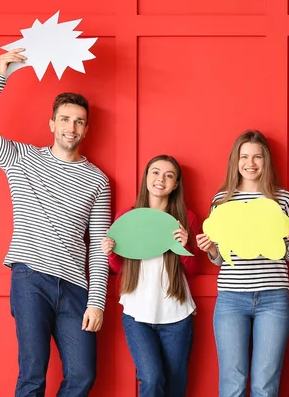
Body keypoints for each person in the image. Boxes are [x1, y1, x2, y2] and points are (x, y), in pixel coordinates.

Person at [0, 48, 111, 396]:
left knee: (83, 376)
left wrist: (97, 301)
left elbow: (101, 246)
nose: (70, 127)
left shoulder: (98, 180)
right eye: (64, 119)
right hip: (31, 278)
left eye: (78, 121)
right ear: (52, 124)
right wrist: (1, 75)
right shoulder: (22, 158)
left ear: (86, 129)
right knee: (33, 373)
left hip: (76, 288)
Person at [196, 130, 289, 397]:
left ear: (266, 161)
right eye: (244, 156)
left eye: (257, 157)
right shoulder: (221, 201)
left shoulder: (283, 199)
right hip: (232, 299)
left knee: (265, 386)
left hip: (274, 299)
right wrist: (210, 249)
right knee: (232, 382)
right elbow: (221, 258)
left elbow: (288, 256)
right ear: (236, 160)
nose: (251, 163)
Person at [101, 155, 200, 397]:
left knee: (176, 385)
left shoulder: (186, 218)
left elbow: (194, 269)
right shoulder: (128, 216)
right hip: (137, 315)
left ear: (176, 184)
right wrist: (110, 253)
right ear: (146, 178)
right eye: (155, 172)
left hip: (177, 314)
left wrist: (184, 246)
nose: (160, 179)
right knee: (152, 378)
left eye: (169, 175)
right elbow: (118, 269)